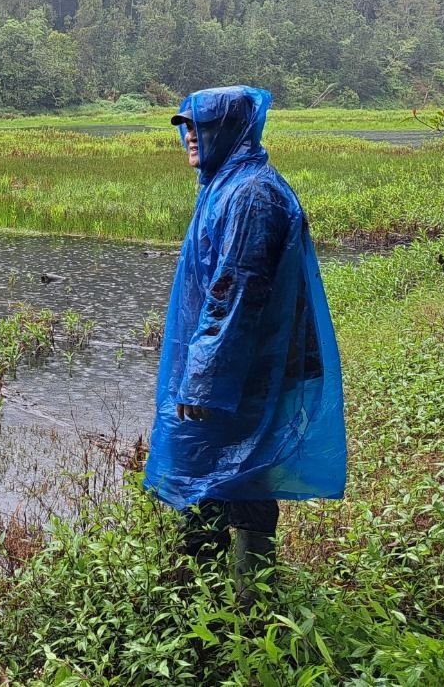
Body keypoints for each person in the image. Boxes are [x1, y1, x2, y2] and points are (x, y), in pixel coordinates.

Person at [142, 85, 347, 604]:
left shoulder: (252, 194)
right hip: (241, 366)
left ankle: (244, 606)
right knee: (216, 472)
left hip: (248, 369)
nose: (191, 136)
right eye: (187, 126)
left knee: (239, 475)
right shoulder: (227, 185)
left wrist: (203, 380)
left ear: (234, 129)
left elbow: (236, 291)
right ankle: (206, 598)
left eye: (202, 125)